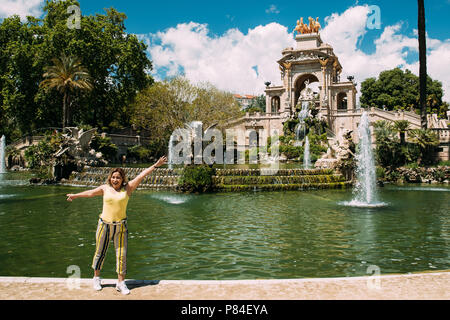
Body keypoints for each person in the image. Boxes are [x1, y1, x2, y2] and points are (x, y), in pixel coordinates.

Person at [66, 156, 167, 294]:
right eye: (113, 177)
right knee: (100, 253)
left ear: (122, 179)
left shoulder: (128, 188)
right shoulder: (104, 188)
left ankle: (121, 282)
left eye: (118, 177)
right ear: (110, 178)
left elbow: (142, 175)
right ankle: (96, 278)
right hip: (104, 226)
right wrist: (75, 195)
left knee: (122, 255)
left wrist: (156, 165)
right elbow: (90, 193)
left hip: (121, 227)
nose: (115, 180)